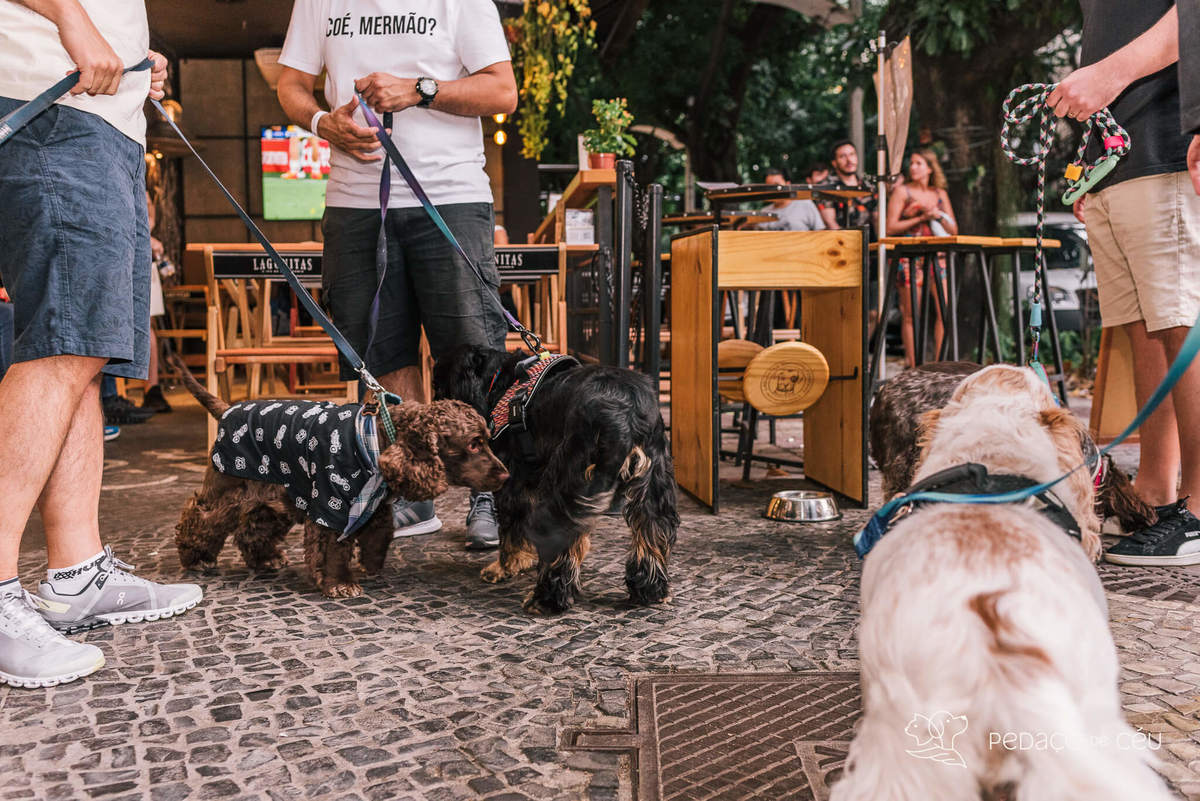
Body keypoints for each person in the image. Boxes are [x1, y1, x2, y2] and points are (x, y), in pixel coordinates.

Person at [0, 0, 202, 689]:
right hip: (53, 107)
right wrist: (70, 18)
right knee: (60, 348)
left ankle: (77, 572)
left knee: (81, 352)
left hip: (97, 116)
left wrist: (123, 46)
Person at [276, 1, 517, 550]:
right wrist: (321, 123)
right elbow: (291, 84)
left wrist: (422, 89)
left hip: (449, 196)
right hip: (354, 203)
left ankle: (490, 494)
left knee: (471, 352)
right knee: (380, 354)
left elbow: (502, 91)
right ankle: (413, 492)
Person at [1049, 1, 1200, 566]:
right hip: (1119, 151)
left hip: (1171, 139)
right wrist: (1090, 160)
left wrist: (1110, 75)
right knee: (1142, 325)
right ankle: (1158, 493)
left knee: (1179, 319)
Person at [885, 149, 958, 367]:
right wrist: (920, 217)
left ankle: (940, 363)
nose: (913, 167)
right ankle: (914, 363)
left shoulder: (939, 193)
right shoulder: (902, 191)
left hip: (938, 255)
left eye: (918, 163)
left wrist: (937, 215)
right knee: (910, 313)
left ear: (929, 168)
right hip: (910, 256)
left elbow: (954, 228)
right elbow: (890, 227)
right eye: (912, 163)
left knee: (943, 310)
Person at [815, 140, 878, 236]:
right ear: (834, 163)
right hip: (838, 243)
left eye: (852, 154)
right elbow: (831, 224)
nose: (849, 160)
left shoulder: (868, 186)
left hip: (868, 243)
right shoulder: (826, 187)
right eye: (842, 156)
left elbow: (877, 220)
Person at [754, 167, 825, 231]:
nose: (773, 190)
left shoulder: (805, 204)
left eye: (777, 186)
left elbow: (820, 231)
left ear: (788, 184)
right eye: (769, 187)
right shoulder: (764, 212)